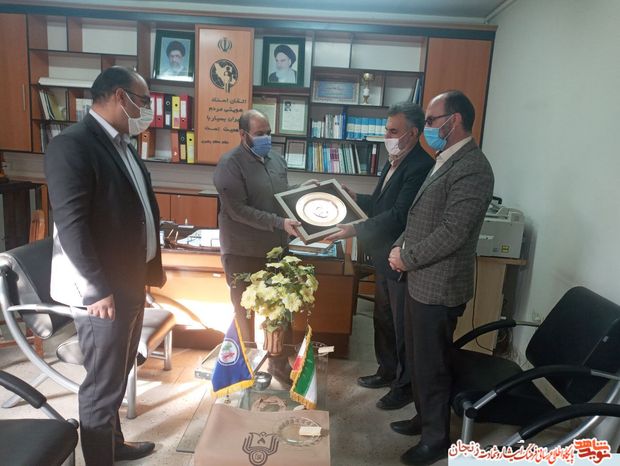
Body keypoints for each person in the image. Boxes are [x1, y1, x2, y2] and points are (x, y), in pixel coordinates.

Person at [44, 66, 166, 465]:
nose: (147, 109)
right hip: (101, 292)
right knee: (101, 385)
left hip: (130, 281)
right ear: (119, 96)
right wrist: (95, 288)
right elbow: (72, 226)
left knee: (118, 372)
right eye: (143, 100)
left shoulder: (122, 143)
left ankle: (113, 445)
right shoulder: (73, 145)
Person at [387, 90, 494, 465]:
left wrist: (407, 258)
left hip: (439, 285)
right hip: (419, 280)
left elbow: (453, 232)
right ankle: (423, 417)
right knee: (418, 360)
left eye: (432, 121)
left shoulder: (473, 168)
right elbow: (420, 216)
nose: (427, 127)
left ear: (455, 120)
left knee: (432, 365)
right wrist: (399, 246)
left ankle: (436, 440)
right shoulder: (444, 159)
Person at [324, 102, 433, 411]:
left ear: (413, 133)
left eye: (393, 131)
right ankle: (386, 371)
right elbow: (381, 203)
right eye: (387, 130)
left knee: (401, 326)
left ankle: (404, 386)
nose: (387, 136)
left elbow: (399, 215)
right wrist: (356, 198)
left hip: (400, 256)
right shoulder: (393, 160)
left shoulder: (420, 166)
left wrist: (353, 230)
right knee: (382, 318)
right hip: (382, 255)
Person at [214, 109, 301, 341]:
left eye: (269, 133)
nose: (266, 138)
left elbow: (280, 197)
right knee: (245, 314)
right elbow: (237, 210)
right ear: (243, 134)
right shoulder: (230, 164)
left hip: (276, 251)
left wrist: (303, 191)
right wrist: (279, 222)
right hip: (243, 253)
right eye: (260, 133)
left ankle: (279, 358)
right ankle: (246, 360)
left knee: (282, 311)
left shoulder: (277, 160)